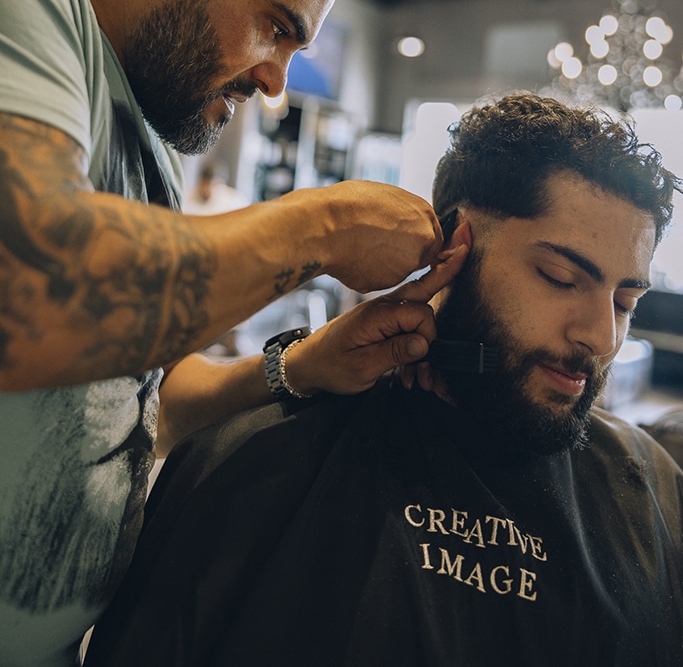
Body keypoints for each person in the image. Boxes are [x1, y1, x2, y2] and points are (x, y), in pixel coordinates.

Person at [0, 0, 450, 667]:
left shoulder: (146, 143)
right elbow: (27, 289)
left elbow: (137, 404)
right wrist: (324, 225)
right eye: (277, 27)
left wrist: (299, 367)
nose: (277, 81)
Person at [83, 93, 683, 667]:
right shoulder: (265, 461)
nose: (601, 337)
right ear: (455, 250)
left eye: (626, 302)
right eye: (559, 277)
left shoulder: (653, 491)